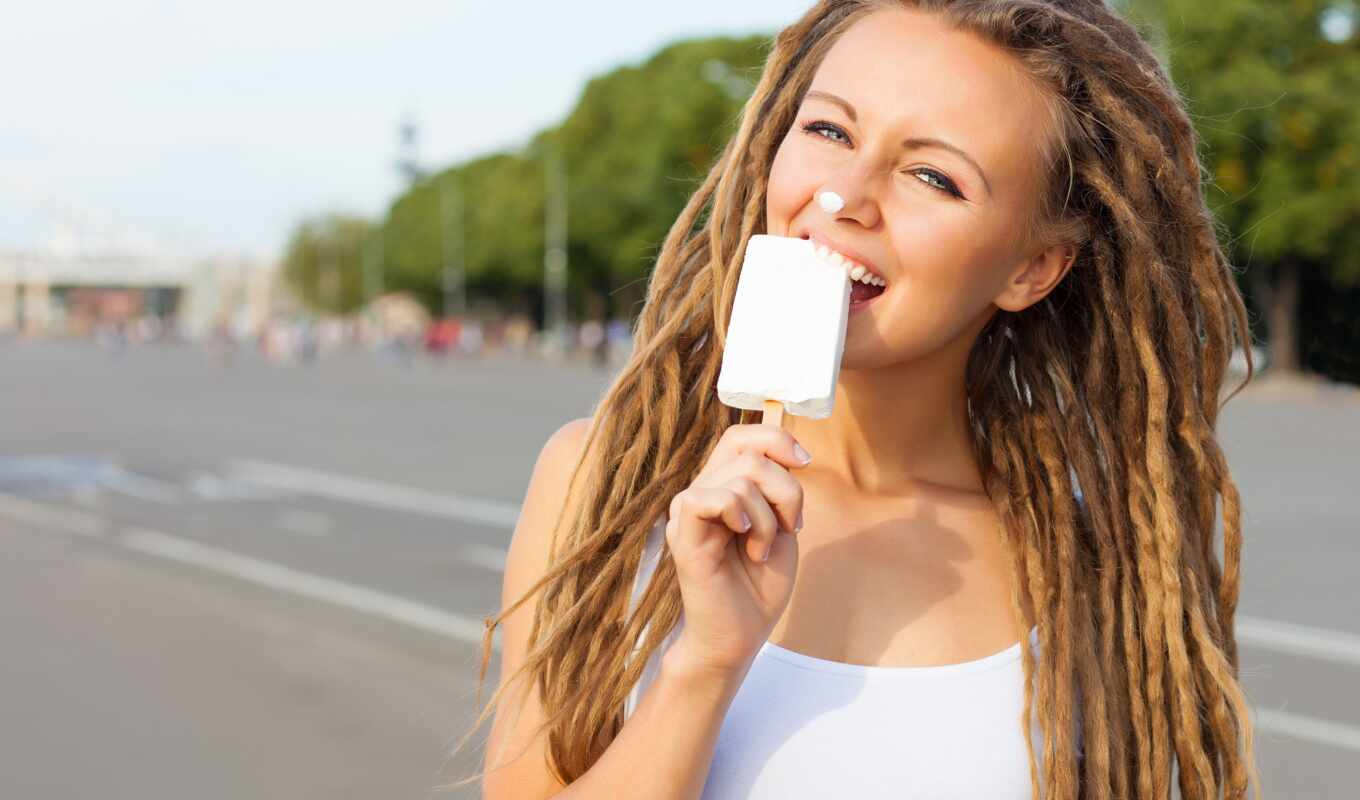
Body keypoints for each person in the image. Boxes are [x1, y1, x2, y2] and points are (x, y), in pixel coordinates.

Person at [456, 2, 1262, 798]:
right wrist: (704, 663)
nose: (843, 195)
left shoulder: (1093, 559)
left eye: (933, 176)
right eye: (830, 132)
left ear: (1033, 267)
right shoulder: (600, 481)